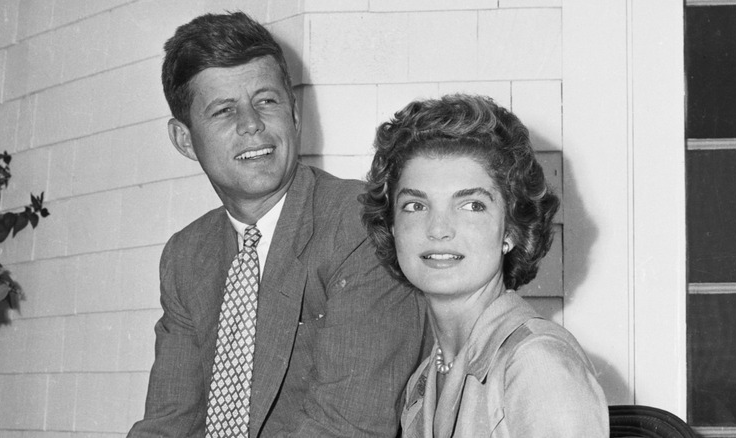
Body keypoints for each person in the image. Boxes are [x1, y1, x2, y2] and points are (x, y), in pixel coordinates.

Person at [128, 11, 428, 438]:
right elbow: (168, 422)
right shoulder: (186, 255)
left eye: (266, 101)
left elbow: (347, 426)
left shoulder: (358, 223)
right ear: (184, 139)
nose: (251, 124)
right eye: (223, 110)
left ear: (294, 113)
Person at [360, 94, 609, 437]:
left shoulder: (537, 364)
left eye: (472, 205)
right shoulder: (423, 382)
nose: (438, 229)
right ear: (391, 228)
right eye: (415, 206)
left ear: (511, 230)